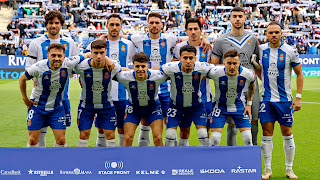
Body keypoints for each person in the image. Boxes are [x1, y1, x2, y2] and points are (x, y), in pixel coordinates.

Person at [25, 10, 80, 147]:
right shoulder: (36, 43)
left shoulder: (70, 42)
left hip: (62, 97)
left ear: (61, 25)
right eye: (50, 23)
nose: (53, 26)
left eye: (56, 23)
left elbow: (77, 66)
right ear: (46, 25)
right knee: (39, 133)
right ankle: (41, 164)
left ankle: (57, 164)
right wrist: (34, 79)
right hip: (40, 97)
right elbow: (28, 67)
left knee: (60, 136)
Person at [257, 21, 303, 180]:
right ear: (266, 34)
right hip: (267, 101)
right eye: (271, 32)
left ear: (281, 33)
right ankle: (267, 170)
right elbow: (257, 68)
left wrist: (298, 97)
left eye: (277, 32)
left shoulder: (290, 51)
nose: (274, 35)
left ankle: (289, 169)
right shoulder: (261, 49)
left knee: (287, 133)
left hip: (285, 101)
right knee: (267, 133)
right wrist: (263, 81)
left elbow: (299, 74)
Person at [19, 43, 87, 147]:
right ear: (48, 56)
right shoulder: (38, 67)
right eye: (53, 55)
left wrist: (108, 60)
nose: (56, 58)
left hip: (56, 107)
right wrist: (25, 99)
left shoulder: (68, 63)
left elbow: (88, 55)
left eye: (59, 56)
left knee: (61, 140)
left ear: (64, 57)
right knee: (33, 140)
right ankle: (33, 161)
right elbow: (22, 78)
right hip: (37, 106)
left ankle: (58, 162)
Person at [211, 7, 260, 146]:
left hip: (251, 87)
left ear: (245, 18)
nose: (237, 19)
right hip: (230, 88)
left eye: (240, 16)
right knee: (232, 125)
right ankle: (230, 160)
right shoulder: (221, 40)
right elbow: (214, 66)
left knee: (254, 121)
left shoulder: (253, 39)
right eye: (234, 16)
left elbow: (257, 65)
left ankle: (252, 158)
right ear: (230, 19)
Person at [87, 14, 136, 147]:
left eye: (117, 25)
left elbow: (135, 66)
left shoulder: (128, 45)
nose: (114, 27)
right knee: (101, 130)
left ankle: (120, 157)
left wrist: (123, 69)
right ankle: (101, 158)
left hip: (122, 94)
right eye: (111, 24)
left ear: (121, 26)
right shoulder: (98, 44)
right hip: (102, 95)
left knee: (122, 128)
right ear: (106, 25)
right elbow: (86, 60)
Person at [172, 17, 214, 146]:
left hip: (205, 97)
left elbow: (212, 70)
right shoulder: (179, 47)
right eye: (190, 29)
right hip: (183, 98)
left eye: (196, 28)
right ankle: (183, 159)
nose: (193, 32)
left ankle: (204, 161)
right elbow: (174, 66)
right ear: (186, 31)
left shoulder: (208, 48)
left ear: (201, 30)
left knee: (205, 132)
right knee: (184, 131)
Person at [162, 45, 214, 147]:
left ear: (195, 58)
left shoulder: (202, 67)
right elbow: (154, 73)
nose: (188, 61)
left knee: (203, 135)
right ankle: (170, 158)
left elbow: (220, 69)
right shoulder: (170, 68)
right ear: (180, 58)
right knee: (170, 135)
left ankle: (204, 160)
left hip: (196, 107)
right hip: (176, 106)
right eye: (185, 58)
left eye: (191, 58)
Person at [115, 52, 167, 146]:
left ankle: (161, 160)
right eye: (137, 66)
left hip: (153, 107)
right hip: (133, 108)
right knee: (127, 138)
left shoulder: (158, 76)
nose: (140, 69)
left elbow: (174, 73)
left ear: (148, 66)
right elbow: (109, 72)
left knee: (158, 138)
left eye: (143, 66)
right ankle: (124, 160)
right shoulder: (125, 76)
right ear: (133, 66)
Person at [75, 40, 120, 147]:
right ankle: (83, 161)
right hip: (86, 105)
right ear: (91, 52)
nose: (99, 56)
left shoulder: (113, 67)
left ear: (106, 52)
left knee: (110, 135)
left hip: (106, 105)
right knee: (84, 135)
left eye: (102, 53)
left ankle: (110, 159)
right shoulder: (81, 66)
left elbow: (123, 70)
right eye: (96, 53)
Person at [208, 49, 255, 146]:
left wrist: (249, 104)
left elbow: (252, 85)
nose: (232, 67)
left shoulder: (247, 74)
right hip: (219, 106)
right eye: (229, 63)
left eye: (235, 63)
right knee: (215, 139)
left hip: (238, 106)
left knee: (248, 138)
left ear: (239, 63)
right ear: (224, 63)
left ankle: (248, 161)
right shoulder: (215, 72)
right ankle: (212, 160)